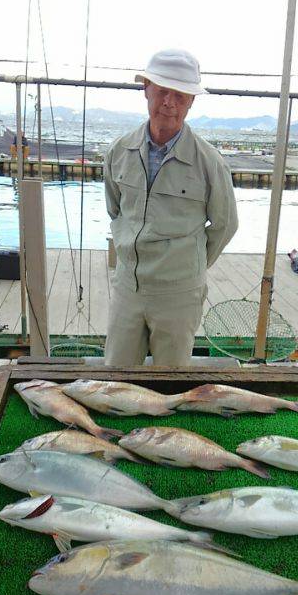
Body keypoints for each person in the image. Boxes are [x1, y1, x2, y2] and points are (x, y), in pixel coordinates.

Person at [103, 48, 238, 366]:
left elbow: (225, 225)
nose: (169, 102)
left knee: (172, 378)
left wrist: (189, 267)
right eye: (162, 90)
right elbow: (115, 210)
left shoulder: (209, 162)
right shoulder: (118, 151)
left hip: (179, 294)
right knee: (116, 374)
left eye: (180, 95)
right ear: (145, 88)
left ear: (192, 101)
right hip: (128, 288)